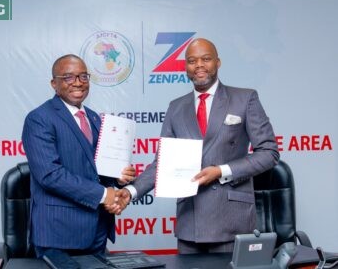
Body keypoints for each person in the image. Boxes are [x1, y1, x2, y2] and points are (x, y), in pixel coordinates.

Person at [115, 38, 279, 253]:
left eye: (206, 59)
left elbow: (269, 152)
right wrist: (130, 191)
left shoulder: (244, 98)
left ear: (218, 62)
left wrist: (221, 171)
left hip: (231, 220)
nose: (199, 65)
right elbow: (162, 163)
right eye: (192, 60)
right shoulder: (176, 107)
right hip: (190, 222)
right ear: (185, 67)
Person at [22, 54, 135, 259]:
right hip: (58, 234)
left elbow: (96, 171)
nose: (78, 83)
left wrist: (117, 178)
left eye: (83, 77)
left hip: (97, 231)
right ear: (54, 83)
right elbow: (49, 174)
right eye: (68, 77)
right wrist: (104, 195)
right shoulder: (39, 118)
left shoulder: (94, 118)